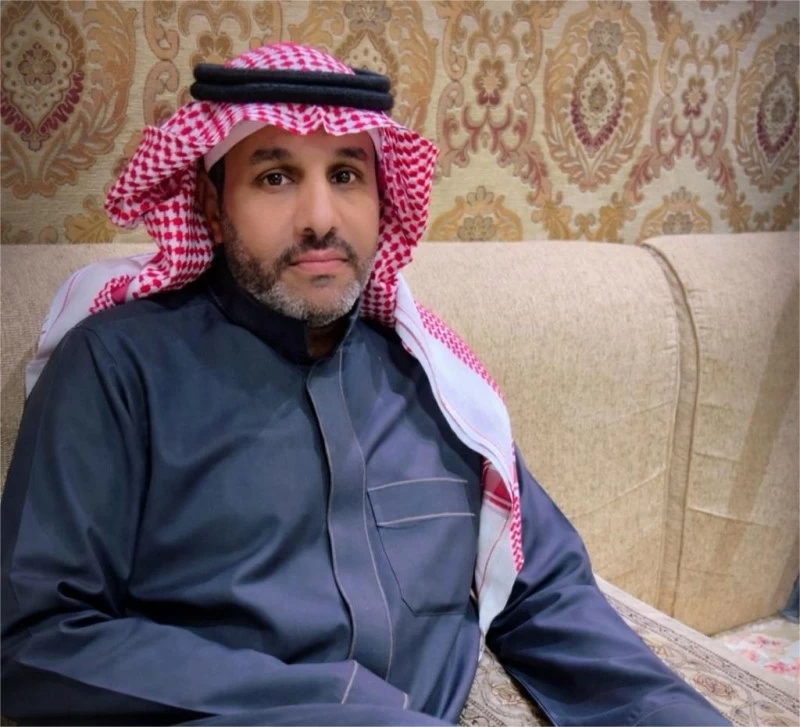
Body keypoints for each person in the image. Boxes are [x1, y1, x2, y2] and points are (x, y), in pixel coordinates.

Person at [1, 43, 729, 727]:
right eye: (276, 177)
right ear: (215, 209)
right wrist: (344, 708)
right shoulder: (116, 369)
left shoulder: (433, 377)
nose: (320, 219)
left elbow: (544, 593)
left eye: (346, 175)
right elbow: (35, 640)